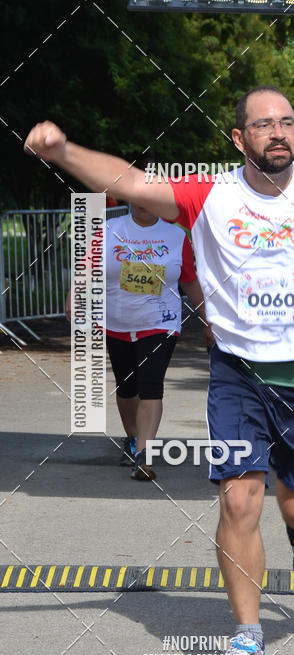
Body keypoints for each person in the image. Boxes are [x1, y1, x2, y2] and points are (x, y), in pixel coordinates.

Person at [25, 85, 294, 655]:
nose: (278, 132)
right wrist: (63, 151)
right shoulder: (210, 197)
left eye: (287, 122)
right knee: (238, 499)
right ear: (239, 137)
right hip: (238, 374)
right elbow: (129, 183)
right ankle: (247, 634)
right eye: (264, 124)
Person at [66, 202, 206, 479]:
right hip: (116, 322)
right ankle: (132, 439)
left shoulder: (176, 236)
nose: (143, 204)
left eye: (149, 199)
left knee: (151, 385)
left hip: (160, 323)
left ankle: (144, 454)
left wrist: (208, 319)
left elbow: (189, 280)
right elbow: (86, 268)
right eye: (137, 199)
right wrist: (74, 294)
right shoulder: (109, 230)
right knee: (127, 387)